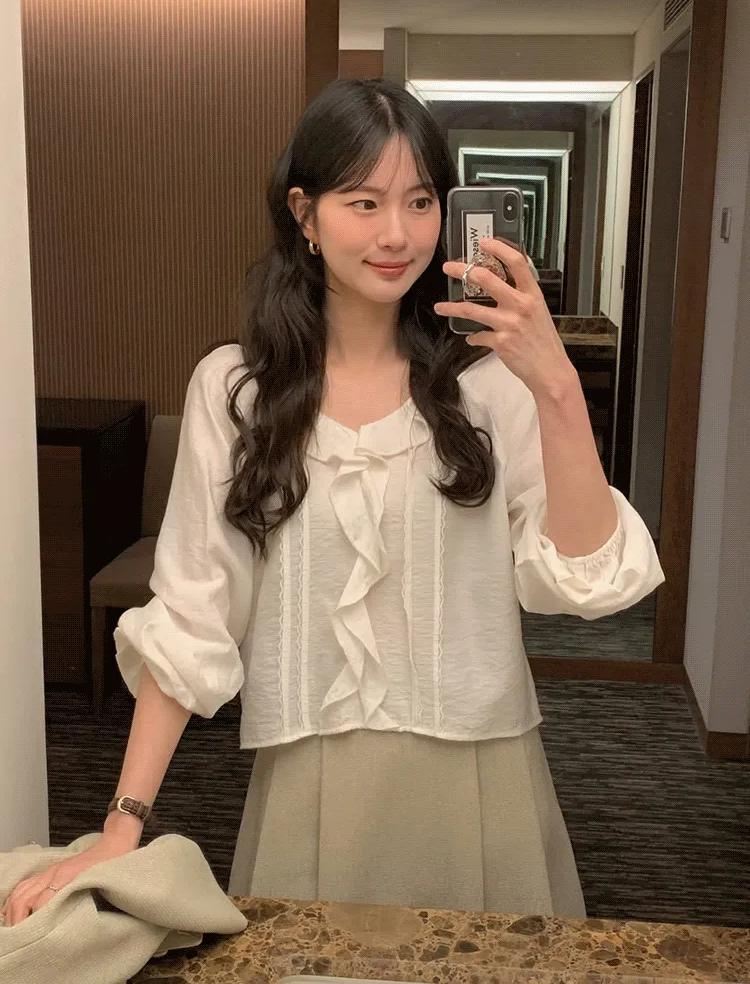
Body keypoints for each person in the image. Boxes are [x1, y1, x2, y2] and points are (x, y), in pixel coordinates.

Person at [1, 78, 665, 926]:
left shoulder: (492, 384)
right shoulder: (237, 392)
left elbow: (583, 580)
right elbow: (194, 611)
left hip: (483, 773)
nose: (397, 234)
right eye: (364, 202)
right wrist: (119, 827)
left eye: (420, 201)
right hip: (309, 780)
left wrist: (558, 386)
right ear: (304, 215)